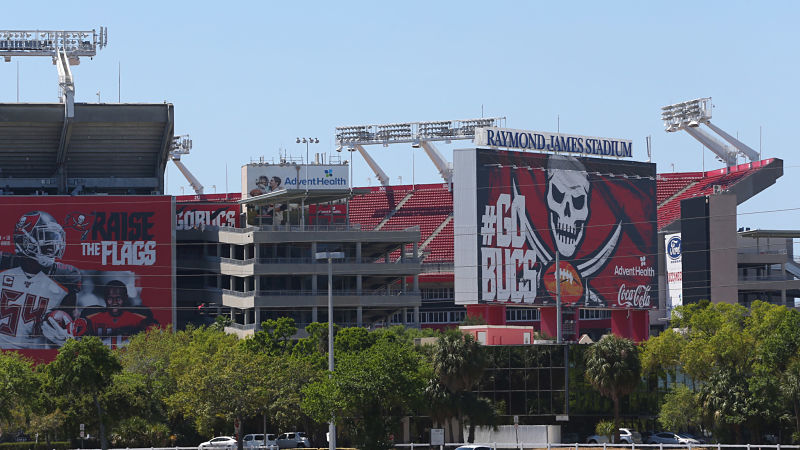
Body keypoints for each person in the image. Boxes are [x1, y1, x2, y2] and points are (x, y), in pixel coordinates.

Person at [0, 211, 81, 349]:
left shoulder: (65, 279)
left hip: (37, 357)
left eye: (54, 237)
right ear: (24, 240)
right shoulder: (4, 265)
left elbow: (69, 322)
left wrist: (67, 337)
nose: (53, 245)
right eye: (46, 237)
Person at [78, 280, 154, 347]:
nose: (114, 303)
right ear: (105, 299)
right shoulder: (91, 318)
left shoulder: (139, 319)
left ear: (125, 298)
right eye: (110, 299)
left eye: (118, 298)